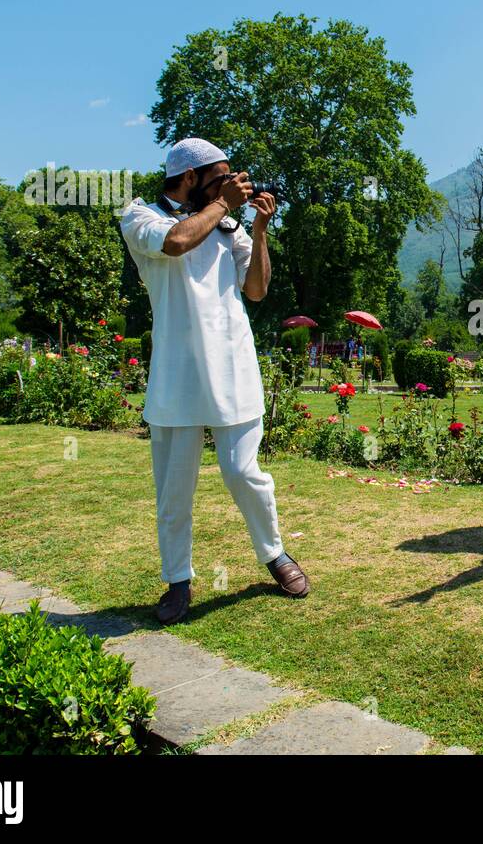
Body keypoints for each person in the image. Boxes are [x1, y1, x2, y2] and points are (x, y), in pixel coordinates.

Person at [119, 138, 310, 625]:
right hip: (176, 379)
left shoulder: (229, 228)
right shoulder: (141, 217)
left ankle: (275, 554)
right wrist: (226, 203)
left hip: (234, 370)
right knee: (174, 492)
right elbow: (176, 243)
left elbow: (258, 290)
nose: (232, 185)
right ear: (189, 179)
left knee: (244, 473)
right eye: (221, 177)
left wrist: (259, 229)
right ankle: (178, 581)